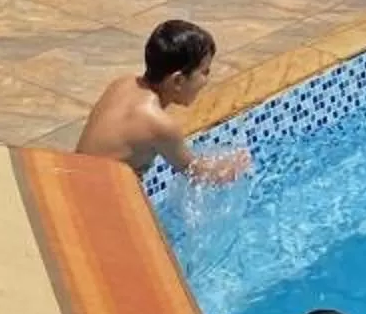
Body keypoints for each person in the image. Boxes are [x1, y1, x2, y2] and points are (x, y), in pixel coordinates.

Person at [76, 19, 251, 193]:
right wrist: (232, 168)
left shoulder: (122, 83)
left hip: (70, 181)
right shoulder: (160, 126)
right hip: (95, 200)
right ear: (178, 81)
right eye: (204, 72)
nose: (206, 81)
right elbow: (197, 174)